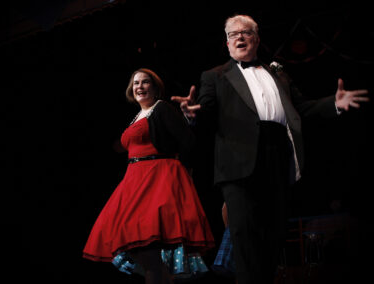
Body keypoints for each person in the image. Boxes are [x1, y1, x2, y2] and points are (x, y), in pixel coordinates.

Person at [171, 14, 369, 284]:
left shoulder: (278, 74)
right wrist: (191, 115)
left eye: (246, 32)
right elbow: (205, 113)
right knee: (244, 236)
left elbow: (302, 109)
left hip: (277, 156)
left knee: (274, 235)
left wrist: (333, 104)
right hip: (238, 162)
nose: (240, 37)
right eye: (234, 34)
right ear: (227, 43)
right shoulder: (215, 76)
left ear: (257, 39)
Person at [83, 68, 215, 284]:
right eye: (136, 83)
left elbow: (187, 140)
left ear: (155, 88)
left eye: (145, 82)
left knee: (149, 250)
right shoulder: (137, 116)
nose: (140, 87)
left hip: (157, 179)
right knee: (141, 251)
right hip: (134, 181)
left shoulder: (161, 108)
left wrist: (181, 174)